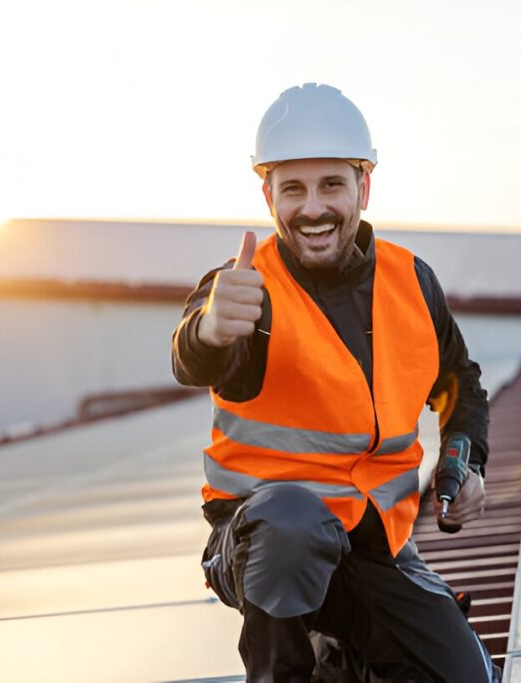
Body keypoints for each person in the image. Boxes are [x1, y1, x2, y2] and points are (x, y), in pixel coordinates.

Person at [172, 83, 497, 681]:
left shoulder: (412, 282)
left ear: (363, 188)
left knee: (465, 677)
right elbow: (195, 357)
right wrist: (212, 330)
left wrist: (464, 459)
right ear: (267, 194)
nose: (313, 208)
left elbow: (459, 384)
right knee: (292, 523)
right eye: (293, 188)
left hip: (375, 547)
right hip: (260, 546)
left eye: (331, 186)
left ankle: (343, 657)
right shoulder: (243, 290)